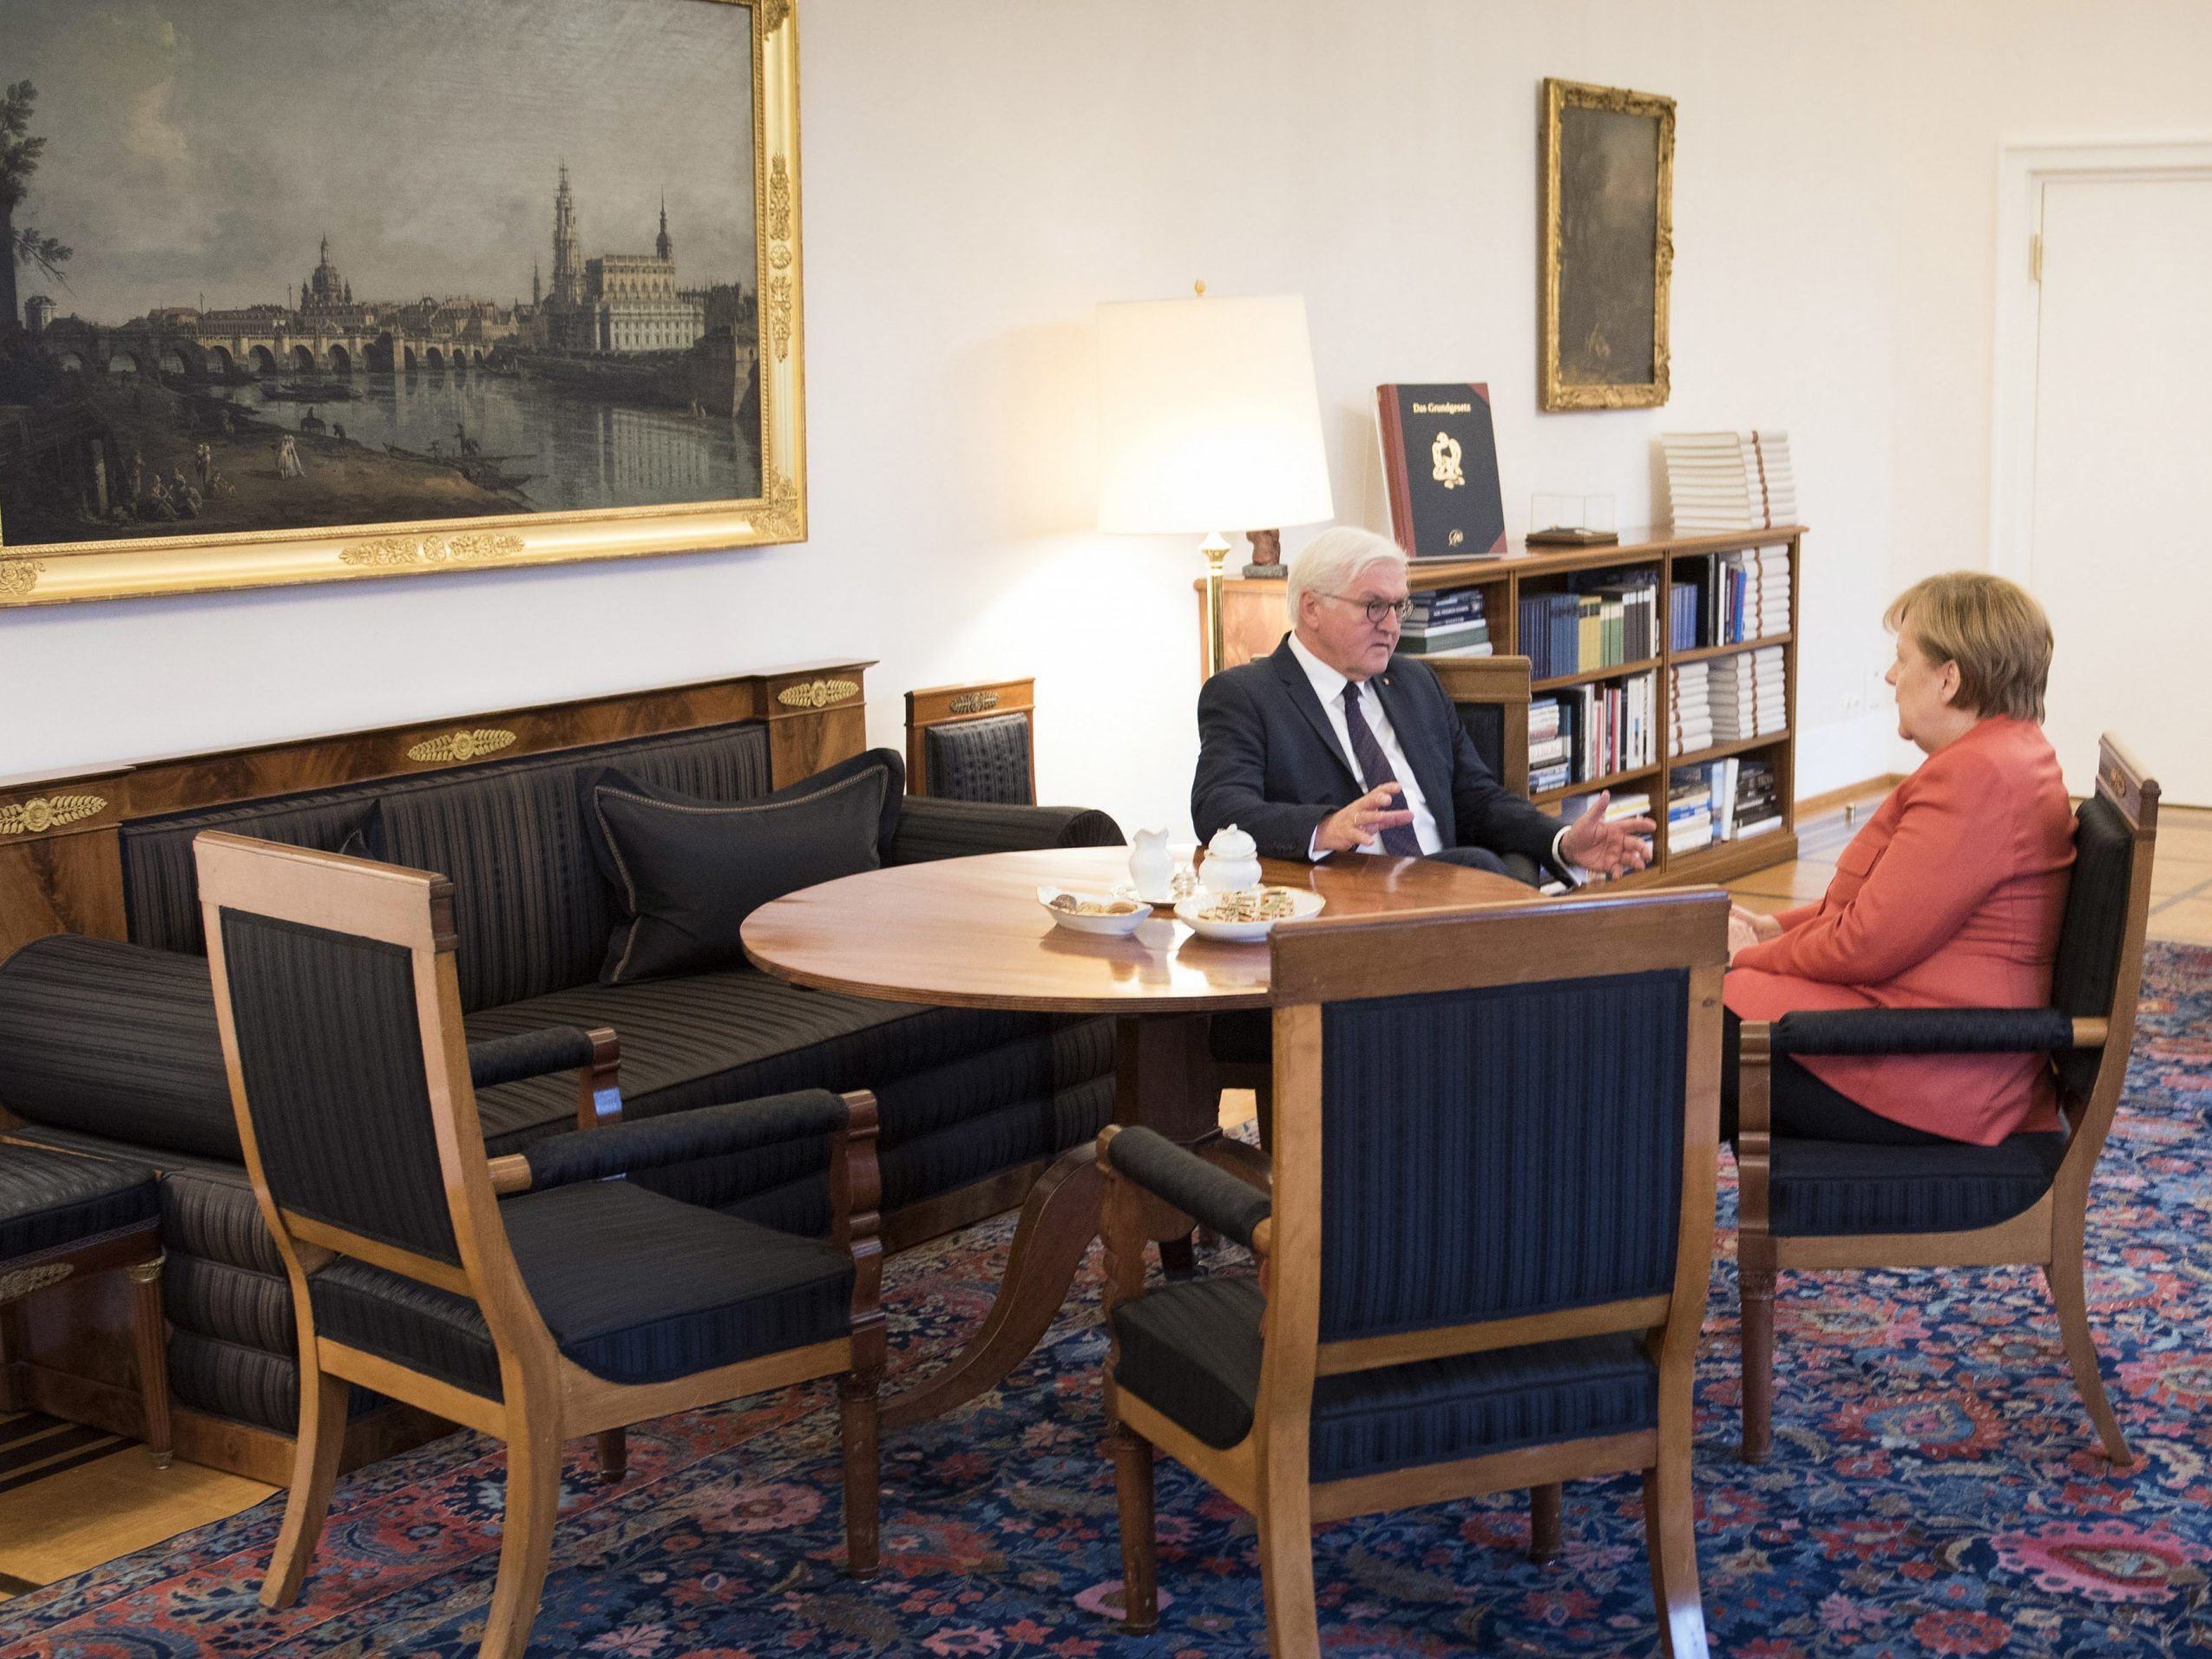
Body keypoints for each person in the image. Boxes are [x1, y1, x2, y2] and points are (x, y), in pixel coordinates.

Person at [1723, 572, 2074, 1146]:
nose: (1889, 676)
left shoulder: (1977, 777)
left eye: (1901, 659)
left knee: (1677, 1024)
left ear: (1948, 679)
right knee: (1681, 1016)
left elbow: (1863, 944)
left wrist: (1753, 957)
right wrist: (1772, 928)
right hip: (1925, 1038)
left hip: (1937, 1071)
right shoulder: (2004, 753)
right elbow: (1887, 905)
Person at [1191, 526, 1655, 885]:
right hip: (1341, 899)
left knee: (1490, 875)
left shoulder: (1413, 683)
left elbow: (1477, 798)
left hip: (1443, 887)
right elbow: (1218, 808)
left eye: (1399, 607)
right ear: (1311, 607)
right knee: (1485, 875)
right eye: (1374, 606)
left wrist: (1561, 841)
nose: (1392, 626)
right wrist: (1324, 827)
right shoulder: (1245, 695)